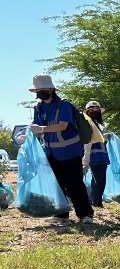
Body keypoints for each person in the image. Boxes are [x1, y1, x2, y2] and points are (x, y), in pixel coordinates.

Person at [29, 74, 94, 224]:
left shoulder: (63, 105)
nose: (39, 93)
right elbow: (38, 130)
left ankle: (85, 214)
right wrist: (30, 132)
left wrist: (42, 128)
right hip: (51, 153)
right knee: (57, 185)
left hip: (70, 152)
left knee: (74, 184)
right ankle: (61, 214)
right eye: (37, 90)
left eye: (42, 89)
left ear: (51, 89)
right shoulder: (38, 108)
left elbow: (63, 125)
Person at [82, 101, 109, 207]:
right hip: (93, 156)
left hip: (101, 156)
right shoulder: (87, 124)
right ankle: (96, 201)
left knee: (98, 180)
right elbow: (87, 141)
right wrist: (86, 157)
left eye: (97, 110)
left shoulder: (97, 125)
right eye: (92, 110)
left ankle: (95, 199)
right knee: (99, 180)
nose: (95, 112)